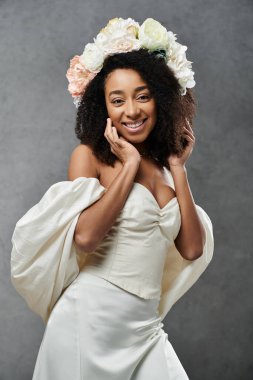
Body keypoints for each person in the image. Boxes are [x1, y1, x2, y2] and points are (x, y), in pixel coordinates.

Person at [10, 17, 214, 379]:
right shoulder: (88, 157)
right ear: (102, 108)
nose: (131, 111)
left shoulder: (168, 167)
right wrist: (129, 166)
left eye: (142, 96)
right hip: (88, 322)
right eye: (117, 100)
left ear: (161, 99)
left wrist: (179, 170)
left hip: (145, 328)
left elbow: (193, 249)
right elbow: (86, 237)